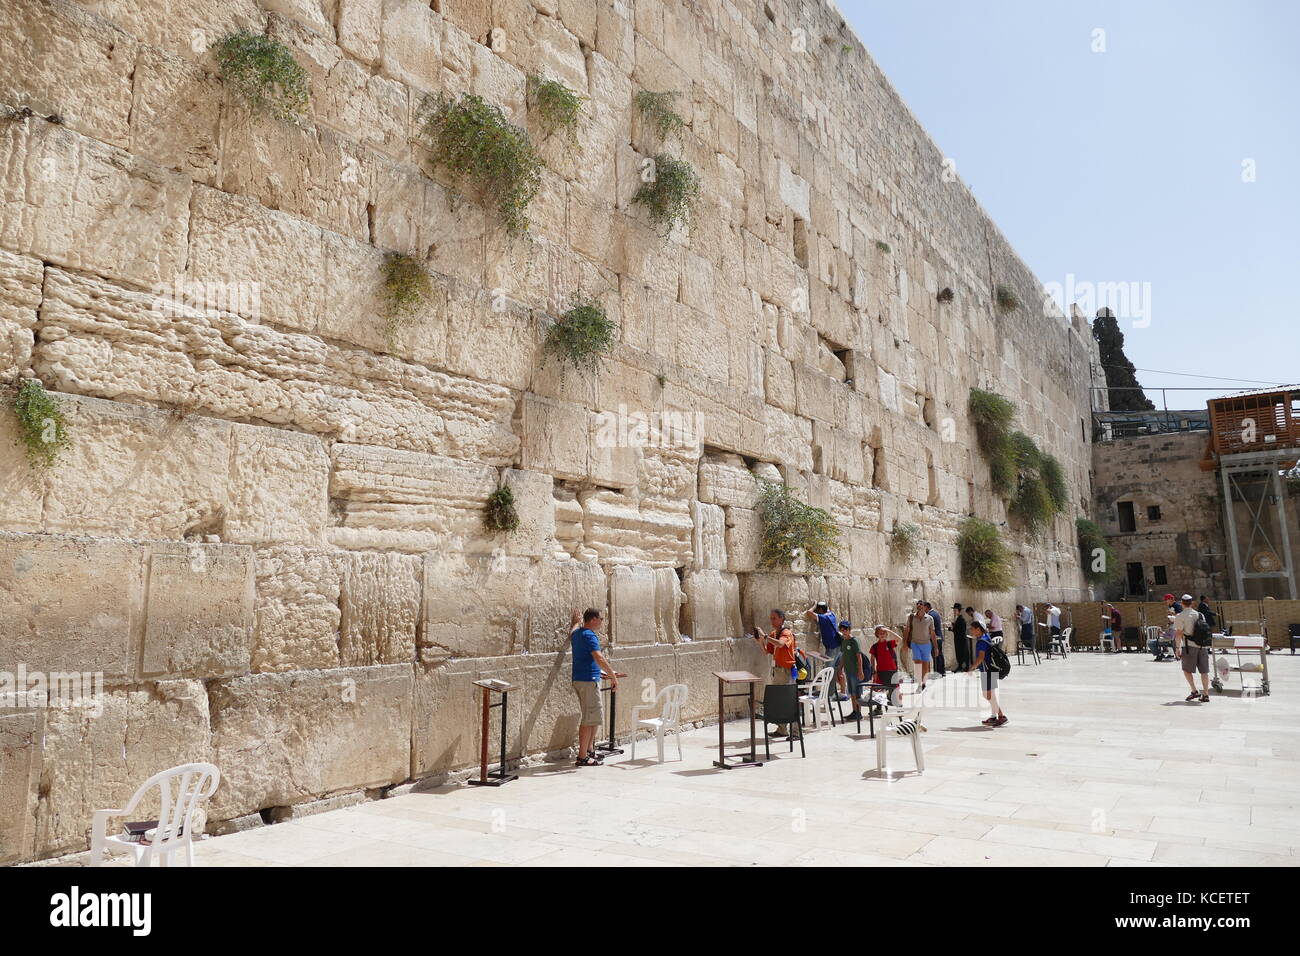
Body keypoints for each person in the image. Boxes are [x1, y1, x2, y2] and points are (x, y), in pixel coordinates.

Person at [571, 608, 622, 766]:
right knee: (589, 718)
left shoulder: (577, 633)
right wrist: (613, 676)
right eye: (601, 618)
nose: (602, 621)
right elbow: (599, 657)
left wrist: (576, 622)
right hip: (589, 680)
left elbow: (572, 630)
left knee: (593, 717)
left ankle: (589, 750)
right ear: (593, 619)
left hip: (580, 679)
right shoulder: (589, 636)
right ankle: (582, 757)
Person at [754, 609, 797, 736]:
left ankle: (795, 732)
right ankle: (782, 729)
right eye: (771, 618)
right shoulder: (774, 633)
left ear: (781, 619)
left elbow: (780, 644)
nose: (771, 620)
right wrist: (760, 642)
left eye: (774, 618)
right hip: (777, 670)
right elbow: (768, 651)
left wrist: (765, 636)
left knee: (789, 700)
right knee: (780, 700)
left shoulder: (786, 633)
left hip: (786, 671)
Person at [1175, 595, 1211, 702]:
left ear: (1182, 603)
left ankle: (1194, 691)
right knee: (1204, 671)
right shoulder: (1200, 615)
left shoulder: (1180, 616)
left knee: (1186, 669)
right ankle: (1205, 694)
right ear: (1192, 603)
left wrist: (1177, 648)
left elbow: (1179, 633)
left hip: (1189, 646)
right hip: (1202, 646)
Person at [969, 621, 1006, 727]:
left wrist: (972, 668)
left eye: (972, 628)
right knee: (991, 694)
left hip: (987, 671)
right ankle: (993, 717)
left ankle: (1001, 715)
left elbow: (981, 658)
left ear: (978, 629)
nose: (971, 631)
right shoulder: (986, 636)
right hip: (992, 669)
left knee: (987, 695)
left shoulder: (981, 642)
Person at [805, 601, 845, 699]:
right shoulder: (831, 615)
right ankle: (836, 693)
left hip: (832, 648)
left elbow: (809, 613)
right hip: (838, 646)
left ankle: (828, 695)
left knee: (828, 672)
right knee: (834, 671)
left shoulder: (824, 618)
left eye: (818, 610)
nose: (817, 612)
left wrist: (813, 606)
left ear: (821, 610)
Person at [838, 620, 867, 721]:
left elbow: (859, 657)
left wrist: (860, 671)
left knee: (857, 692)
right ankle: (854, 711)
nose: (843, 631)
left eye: (845, 629)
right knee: (852, 693)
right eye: (841, 629)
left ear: (849, 629)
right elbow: (843, 656)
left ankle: (859, 713)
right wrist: (840, 668)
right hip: (848, 671)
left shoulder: (854, 641)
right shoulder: (844, 641)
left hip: (855, 671)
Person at [904, 601, 936, 685]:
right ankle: (919, 682)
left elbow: (932, 633)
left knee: (925, 664)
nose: (919, 605)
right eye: (917, 604)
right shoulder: (911, 617)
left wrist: (936, 647)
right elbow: (907, 630)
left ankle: (924, 682)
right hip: (915, 643)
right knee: (918, 662)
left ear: (924, 606)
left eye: (921, 604)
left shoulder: (929, 618)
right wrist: (905, 643)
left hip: (926, 644)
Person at [869, 626, 901, 705]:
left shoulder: (889, 644)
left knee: (895, 689)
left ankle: (898, 705)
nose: (882, 634)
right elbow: (872, 659)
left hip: (892, 671)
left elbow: (900, 639)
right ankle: (878, 708)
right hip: (880, 671)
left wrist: (889, 630)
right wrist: (874, 671)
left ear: (886, 634)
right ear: (877, 634)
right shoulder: (875, 646)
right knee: (877, 690)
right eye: (880, 633)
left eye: (884, 633)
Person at [923, 601, 945, 676]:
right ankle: (942, 671)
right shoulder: (936, 613)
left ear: (926, 607)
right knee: (940, 655)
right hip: (939, 637)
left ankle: (938, 672)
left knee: (936, 655)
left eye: (923, 607)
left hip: (935, 638)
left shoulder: (930, 615)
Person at [949, 603, 969, 671]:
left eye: (955, 610)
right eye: (954, 610)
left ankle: (964, 667)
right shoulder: (959, 619)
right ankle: (961, 666)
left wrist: (951, 628)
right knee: (959, 653)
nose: (954, 611)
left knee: (962, 653)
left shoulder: (961, 619)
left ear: (959, 611)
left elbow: (959, 630)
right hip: (959, 639)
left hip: (961, 639)